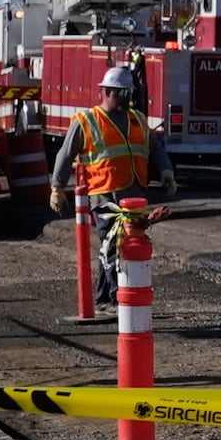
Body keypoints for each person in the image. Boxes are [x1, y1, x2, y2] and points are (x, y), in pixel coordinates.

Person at [49, 62, 157, 313]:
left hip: (134, 195)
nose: (125, 99)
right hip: (104, 194)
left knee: (125, 246)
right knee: (112, 247)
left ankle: (104, 298)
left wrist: (165, 171)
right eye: (121, 93)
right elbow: (65, 156)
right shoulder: (86, 121)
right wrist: (57, 187)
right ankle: (117, 297)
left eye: (128, 94)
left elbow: (155, 148)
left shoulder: (137, 119)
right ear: (108, 92)